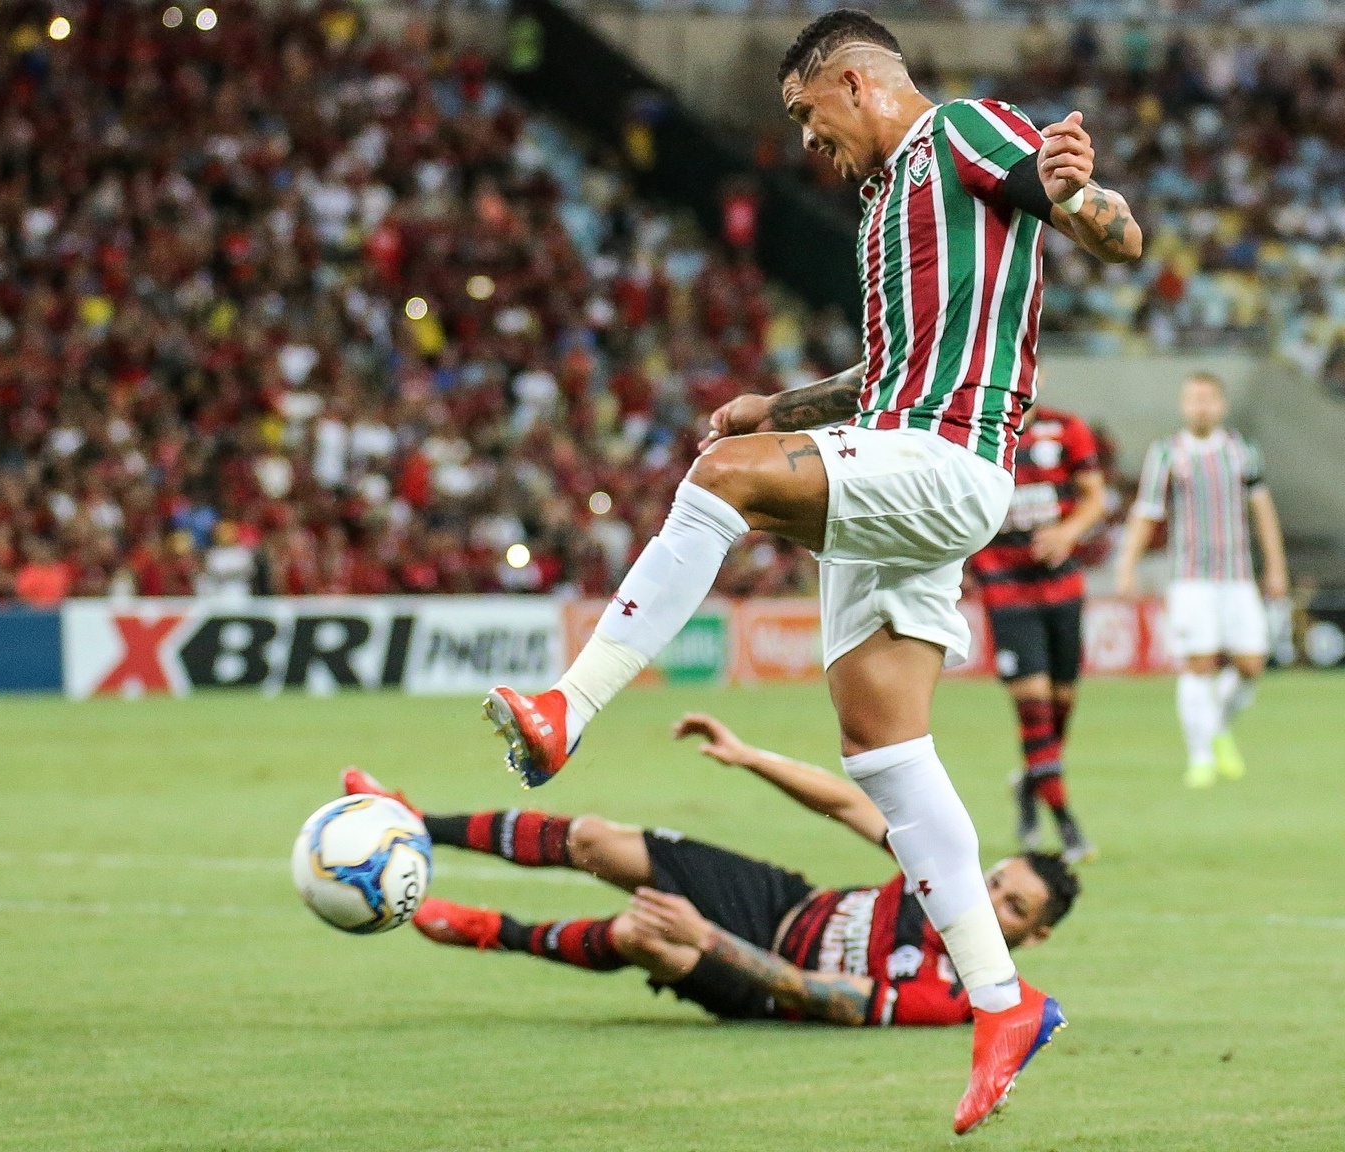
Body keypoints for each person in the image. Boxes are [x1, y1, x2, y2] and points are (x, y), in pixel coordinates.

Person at [480, 9, 1139, 1133]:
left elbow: (1096, 222)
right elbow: (881, 376)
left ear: (854, 81)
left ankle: (567, 706)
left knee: (728, 479)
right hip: (905, 458)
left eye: (805, 115)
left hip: (947, 459)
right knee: (885, 751)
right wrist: (774, 406)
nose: (805, 145)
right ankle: (1002, 1000)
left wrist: (1084, 192)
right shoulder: (890, 210)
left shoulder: (960, 134)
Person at [359, 712, 1078, 1028]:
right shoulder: (941, 880)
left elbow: (815, 992)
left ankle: (495, 932)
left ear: (1034, 937)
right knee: (598, 840)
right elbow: (847, 804)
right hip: (783, 902)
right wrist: (751, 757)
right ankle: (413, 823)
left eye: (1013, 908)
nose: (989, 899)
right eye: (997, 881)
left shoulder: (954, 996)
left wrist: (706, 938)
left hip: (765, 987)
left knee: (650, 936)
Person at [1114, 372, 1287, 788]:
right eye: (1194, 398)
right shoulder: (1167, 453)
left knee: (1250, 665)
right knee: (1199, 665)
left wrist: (1276, 566)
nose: (1201, 406)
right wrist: (1127, 564)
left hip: (1238, 575)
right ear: (1183, 405)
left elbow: (1262, 509)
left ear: (1221, 405)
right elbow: (1147, 511)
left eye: (1209, 398)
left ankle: (1217, 728)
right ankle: (1201, 757)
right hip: (1190, 578)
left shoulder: (1242, 451)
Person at [970, 404, 1106, 862]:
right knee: (1034, 708)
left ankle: (1031, 784)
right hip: (1006, 592)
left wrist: (1068, 533)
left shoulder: (1067, 428)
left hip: (1062, 587)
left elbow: (1094, 498)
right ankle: (1066, 824)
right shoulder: (972, 432)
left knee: (1061, 705)